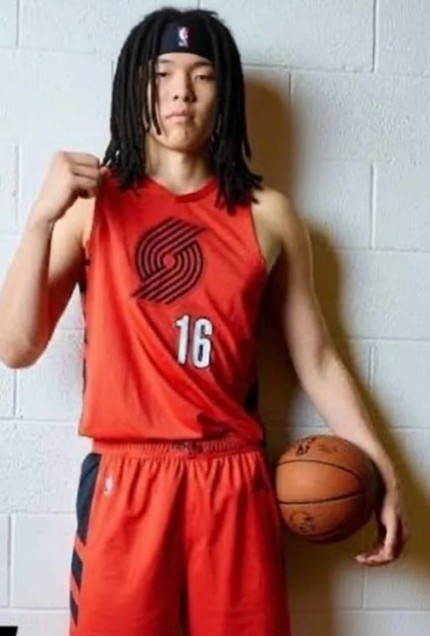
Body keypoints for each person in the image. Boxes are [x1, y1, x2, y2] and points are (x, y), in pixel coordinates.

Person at [0, 7, 408, 636]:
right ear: (135, 86)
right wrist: (39, 221)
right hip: (127, 481)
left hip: (232, 479)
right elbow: (16, 347)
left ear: (225, 93)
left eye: (203, 75)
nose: (181, 92)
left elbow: (317, 359)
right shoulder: (90, 206)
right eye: (161, 73)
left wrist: (382, 467)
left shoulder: (268, 216)